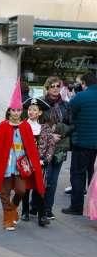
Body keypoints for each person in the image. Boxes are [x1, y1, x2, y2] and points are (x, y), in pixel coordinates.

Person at [0, 79, 45, 231]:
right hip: (5, 165)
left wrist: (35, 162)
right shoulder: (3, 126)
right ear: (9, 110)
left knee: (21, 190)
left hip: (20, 165)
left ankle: (12, 209)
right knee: (5, 192)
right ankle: (7, 217)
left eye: (18, 110)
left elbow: (31, 148)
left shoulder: (25, 126)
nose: (16, 113)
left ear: (21, 111)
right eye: (13, 110)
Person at [62, 72, 97, 215]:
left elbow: (70, 117)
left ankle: (76, 207)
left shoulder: (79, 97)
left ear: (84, 83)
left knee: (78, 174)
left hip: (81, 143)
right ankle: (93, 207)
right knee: (94, 176)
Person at [40, 76, 73, 220]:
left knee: (53, 180)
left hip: (60, 147)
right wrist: (49, 135)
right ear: (47, 87)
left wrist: (59, 129)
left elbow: (72, 125)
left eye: (57, 86)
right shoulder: (40, 103)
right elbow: (35, 123)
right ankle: (35, 206)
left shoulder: (66, 105)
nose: (55, 88)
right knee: (42, 178)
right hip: (44, 147)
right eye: (52, 86)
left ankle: (47, 209)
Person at [21, 97, 55, 227]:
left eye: (34, 110)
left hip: (40, 163)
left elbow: (51, 145)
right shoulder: (23, 125)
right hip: (25, 162)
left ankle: (42, 215)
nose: (31, 112)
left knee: (40, 189)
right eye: (29, 109)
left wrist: (46, 160)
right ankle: (25, 211)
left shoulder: (45, 128)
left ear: (40, 113)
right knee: (25, 187)